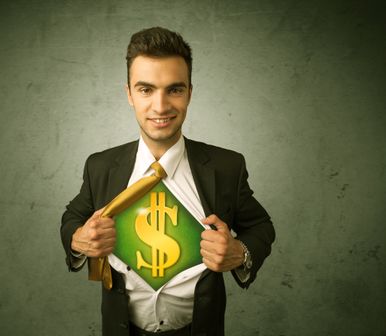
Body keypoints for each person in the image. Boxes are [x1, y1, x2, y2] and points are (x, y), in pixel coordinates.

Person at [61, 27, 275, 336]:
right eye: (146, 89)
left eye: (174, 89)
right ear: (129, 94)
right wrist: (78, 239)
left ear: (189, 92)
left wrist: (240, 252)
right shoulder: (101, 166)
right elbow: (72, 218)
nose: (160, 107)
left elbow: (261, 226)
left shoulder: (227, 167)